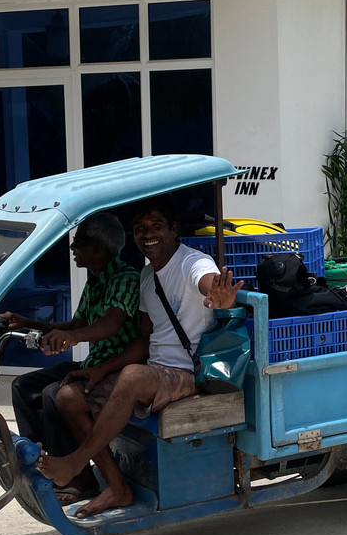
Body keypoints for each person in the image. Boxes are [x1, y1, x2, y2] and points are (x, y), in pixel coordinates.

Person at [39, 195, 243, 518]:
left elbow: (209, 285)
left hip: (187, 374)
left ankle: (75, 463)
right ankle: (117, 487)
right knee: (67, 396)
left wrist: (219, 296)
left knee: (133, 376)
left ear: (174, 230)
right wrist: (100, 370)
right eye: (140, 228)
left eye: (156, 226)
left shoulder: (193, 263)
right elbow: (144, 342)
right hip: (153, 372)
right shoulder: (147, 278)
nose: (148, 233)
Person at [0, 211, 141, 503]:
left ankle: (81, 480)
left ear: (99, 248)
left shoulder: (125, 278)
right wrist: (28, 322)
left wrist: (74, 338)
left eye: (79, 243)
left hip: (117, 367)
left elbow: (111, 323)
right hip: (93, 364)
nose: (73, 249)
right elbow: (78, 324)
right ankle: (39, 459)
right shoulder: (95, 281)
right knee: (22, 387)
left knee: (55, 393)